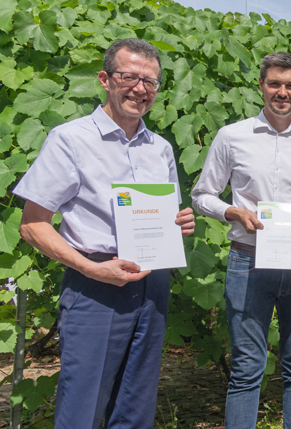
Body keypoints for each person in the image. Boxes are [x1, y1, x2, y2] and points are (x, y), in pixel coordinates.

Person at [14, 38, 195, 429]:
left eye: (150, 81)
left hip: (153, 283)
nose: (140, 89)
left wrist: (180, 224)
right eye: (128, 76)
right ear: (104, 79)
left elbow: (164, 219)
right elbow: (32, 224)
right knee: (83, 405)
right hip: (94, 284)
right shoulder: (71, 139)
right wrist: (92, 270)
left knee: (136, 405)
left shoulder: (160, 149)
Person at [191, 51, 291, 429]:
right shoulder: (232, 137)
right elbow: (202, 195)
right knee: (245, 368)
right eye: (274, 83)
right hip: (247, 262)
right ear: (261, 86)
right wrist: (232, 212)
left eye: (290, 85)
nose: (282, 92)